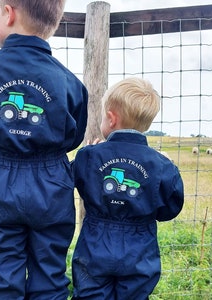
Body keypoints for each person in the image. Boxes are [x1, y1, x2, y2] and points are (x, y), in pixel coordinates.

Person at [0, 0, 88, 299]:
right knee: (50, 275)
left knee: (2, 278)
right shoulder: (70, 82)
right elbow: (74, 136)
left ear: (8, 13)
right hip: (50, 186)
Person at [71, 77, 184, 299]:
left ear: (111, 119)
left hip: (95, 244)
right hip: (140, 249)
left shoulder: (90, 156)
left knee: (90, 293)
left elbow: (69, 179)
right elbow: (171, 207)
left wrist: (87, 155)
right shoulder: (161, 165)